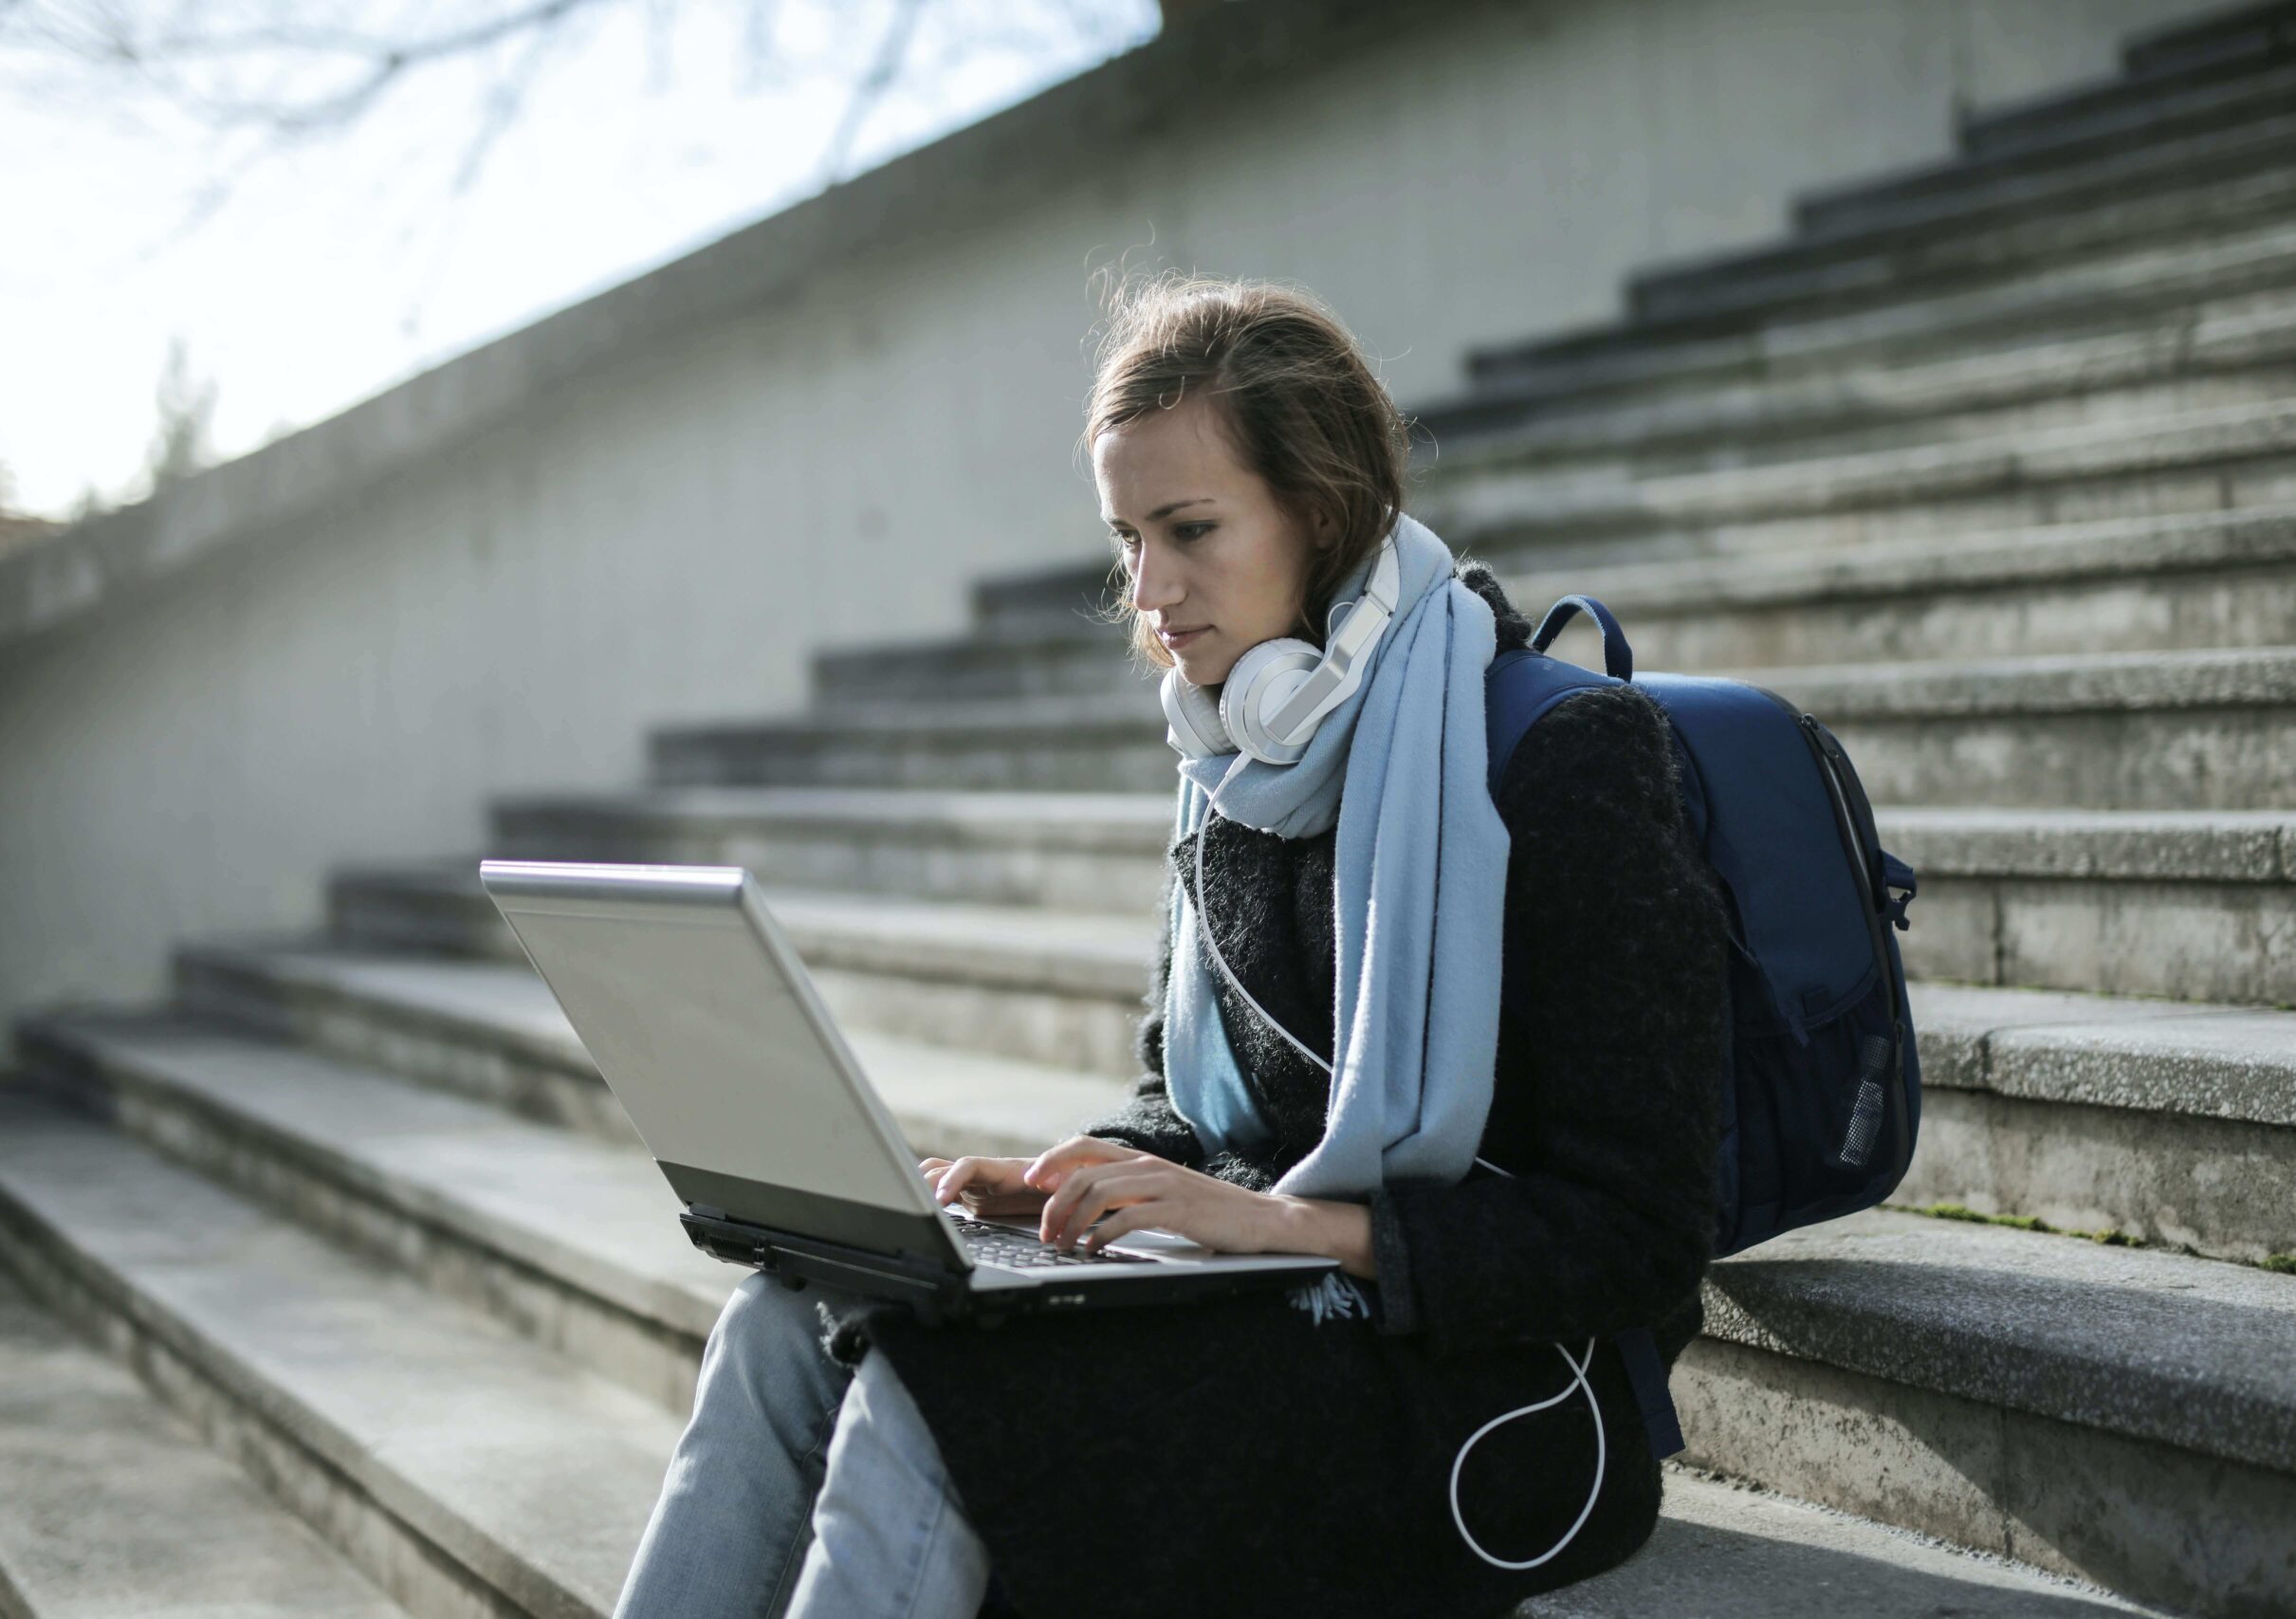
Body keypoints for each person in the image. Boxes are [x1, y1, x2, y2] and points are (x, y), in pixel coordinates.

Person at [612, 272, 1733, 1619]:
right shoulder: (1232, 760)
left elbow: (1640, 1234)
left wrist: (1274, 1224)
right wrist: (1060, 1186)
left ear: (1320, 515)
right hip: (1260, 1293)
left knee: (943, 1391)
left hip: (1491, 1378)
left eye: (1190, 529)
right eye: (1127, 538)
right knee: (782, 1325)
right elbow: (1191, 1104)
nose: (1149, 591)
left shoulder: (1565, 759)